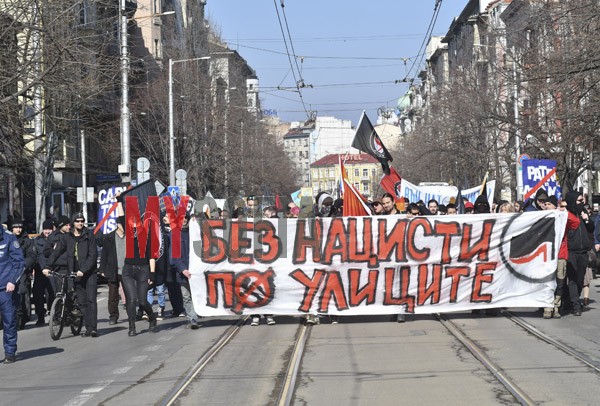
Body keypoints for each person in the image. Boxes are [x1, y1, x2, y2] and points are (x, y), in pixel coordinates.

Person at [543, 196, 579, 318]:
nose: (546, 206)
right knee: (548, 282)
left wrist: (564, 213)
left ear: (555, 206)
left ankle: (556, 306)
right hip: (546, 256)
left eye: (548, 204)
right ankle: (547, 307)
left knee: (559, 282)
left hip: (560, 255)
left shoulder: (562, 218)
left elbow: (576, 223)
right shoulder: (542, 218)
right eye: (545, 204)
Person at [564, 191, 594, 316]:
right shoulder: (567, 215)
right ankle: (575, 305)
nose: (582, 203)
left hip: (583, 252)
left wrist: (587, 220)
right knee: (572, 279)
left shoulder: (583, 213)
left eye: (582, 201)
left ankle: (572, 301)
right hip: (571, 251)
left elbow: (591, 229)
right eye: (579, 201)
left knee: (580, 279)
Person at [170, 214, 200, 329]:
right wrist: (183, 269)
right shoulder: (175, 235)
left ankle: (197, 313)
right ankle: (192, 318)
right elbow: (175, 257)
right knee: (186, 296)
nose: (183, 222)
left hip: (196, 271)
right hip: (183, 273)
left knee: (196, 295)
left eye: (185, 220)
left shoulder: (195, 233)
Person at [0, 223, 25, 364]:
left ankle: (10, 352)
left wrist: (12, 281)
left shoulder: (9, 238)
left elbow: (19, 263)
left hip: (6, 289)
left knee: (9, 322)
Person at [97, 216, 126, 325]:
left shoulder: (130, 236)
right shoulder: (109, 237)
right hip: (113, 269)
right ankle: (113, 316)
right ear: (118, 225)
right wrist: (102, 269)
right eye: (122, 224)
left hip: (126, 270)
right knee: (113, 295)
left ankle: (132, 314)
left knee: (130, 294)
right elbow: (104, 254)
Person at [11, 219, 36, 330]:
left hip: (22, 273)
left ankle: (20, 320)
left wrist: (21, 265)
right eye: (16, 227)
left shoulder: (27, 241)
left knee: (21, 296)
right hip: (8, 273)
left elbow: (31, 257)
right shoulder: (7, 239)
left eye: (20, 227)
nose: (18, 229)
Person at [32, 219, 56, 327]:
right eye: (46, 229)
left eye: (49, 229)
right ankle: (40, 317)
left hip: (52, 271)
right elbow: (33, 255)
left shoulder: (56, 239)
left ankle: (53, 315)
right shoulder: (37, 240)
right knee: (38, 296)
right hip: (39, 272)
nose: (47, 231)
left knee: (52, 294)